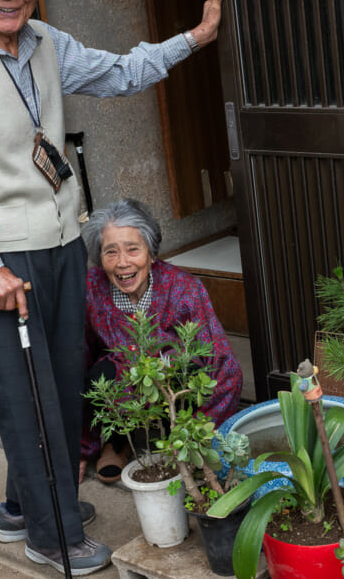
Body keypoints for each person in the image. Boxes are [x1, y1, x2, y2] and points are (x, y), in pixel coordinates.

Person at [0, 0, 225, 576]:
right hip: (3, 262)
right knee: (27, 398)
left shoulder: (47, 43)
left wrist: (192, 39)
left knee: (62, 386)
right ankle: (50, 536)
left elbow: (118, 71)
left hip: (59, 247)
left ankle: (22, 508)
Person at [81, 199, 242, 482]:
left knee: (213, 372)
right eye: (111, 252)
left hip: (173, 379)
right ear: (99, 256)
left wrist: (199, 427)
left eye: (133, 249)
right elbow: (80, 354)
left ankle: (187, 439)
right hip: (124, 379)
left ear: (151, 254)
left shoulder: (183, 288)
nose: (123, 263)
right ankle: (115, 442)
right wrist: (82, 448)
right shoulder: (91, 289)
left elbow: (218, 359)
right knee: (94, 373)